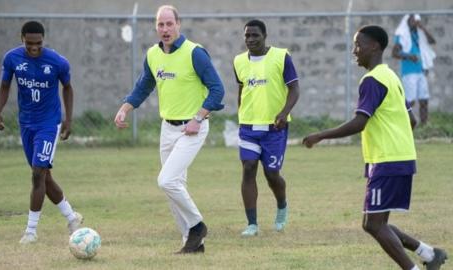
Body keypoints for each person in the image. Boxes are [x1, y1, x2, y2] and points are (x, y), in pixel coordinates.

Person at [303, 25, 447, 270]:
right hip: (398, 157)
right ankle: (430, 254)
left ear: (375, 47)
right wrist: (394, 139)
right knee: (376, 222)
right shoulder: (391, 76)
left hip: (387, 160)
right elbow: (410, 120)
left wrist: (320, 135)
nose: (354, 50)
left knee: (374, 225)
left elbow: (360, 121)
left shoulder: (372, 81)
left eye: (358, 45)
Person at [114, 5, 224, 254]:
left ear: (178, 24)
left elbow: (218, 89)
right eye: (160, 25)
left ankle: (197, 225)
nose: (164, 29)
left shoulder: (194, 52)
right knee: (174, 188)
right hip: (168, 128)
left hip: (193, 128)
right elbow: (143, 86)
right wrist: (125, 109)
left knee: (166, 181)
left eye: (169, 24)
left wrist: (198, 118)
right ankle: (192, 243)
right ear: (156, 27)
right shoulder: (153, 54)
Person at [0, 21, 83, 244]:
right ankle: (72, 217)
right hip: (26, 124)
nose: (34, 48)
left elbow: (68, 88)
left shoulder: (57, 62)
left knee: (37, 174)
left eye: (39, 44)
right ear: (21, 38)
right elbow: (4, 86)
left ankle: (31, 232)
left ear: (44, 40)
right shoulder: (12, 58)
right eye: (29, 44)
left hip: (48, 124)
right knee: (43, 176)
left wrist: (68, 120)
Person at [233, 19, 300, 237]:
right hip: (248, 126)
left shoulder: (281, 57)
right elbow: (242, 89)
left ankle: (282, 205)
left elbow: (294, 89)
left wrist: (283, 113)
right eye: (247, 36)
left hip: (274, 127)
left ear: (265, 36)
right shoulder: (239, 61)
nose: (250, 39)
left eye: (255, 35)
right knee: (248, 168)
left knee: (272, 174)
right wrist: (241, 113)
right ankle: (252, 224)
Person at [392, 14, 436, 125]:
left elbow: (432, 41)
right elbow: (394, 53)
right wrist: (409, 56)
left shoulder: (419, 34)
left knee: (424, 99)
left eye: (416, 20)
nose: (414, 22)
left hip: (421, 71)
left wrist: (422, 27)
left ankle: (424, 124)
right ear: (407, 21)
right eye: (412, 20)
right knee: (410, 101)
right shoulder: (401, 34)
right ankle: (402, 122)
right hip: (409, 72)